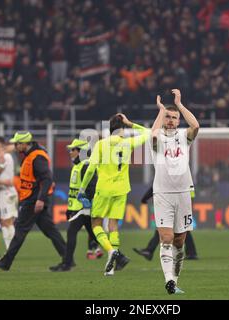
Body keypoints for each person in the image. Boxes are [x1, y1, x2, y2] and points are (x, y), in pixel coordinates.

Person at [77, 113, 151, 276]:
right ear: (122, 129)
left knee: (96, 224)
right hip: (122, 189)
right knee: (113, 225)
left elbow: (90, 169)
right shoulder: (128, 143)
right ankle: (113, 266)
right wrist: (131, 123)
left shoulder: (101, 145)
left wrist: (82, 189)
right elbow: (148, 132)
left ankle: (111, 252)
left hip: (104, 188)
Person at [0, 131, 66, 271]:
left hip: (33, 200)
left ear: (25, 144)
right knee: (50, 230)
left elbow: (47, 178)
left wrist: (40, 200)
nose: (15, 146)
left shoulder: (36, 157)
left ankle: (6, 262)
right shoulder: (31, 154)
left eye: (18, 143)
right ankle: (68, 259)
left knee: (20, 230)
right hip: (32, 199)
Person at [150, 89, 199, 294]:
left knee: (180, 241)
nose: (170, 120)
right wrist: (161, 110)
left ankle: (175, 278)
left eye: (174, 118)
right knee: (167, 238)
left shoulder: (183, 137)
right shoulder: (157, 138)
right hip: (162, 194)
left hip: (183, 194)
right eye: (167, 117)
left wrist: (179, 105)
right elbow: (152, 135)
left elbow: (195, 126)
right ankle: (169, 280)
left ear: (179, 121)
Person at [49, 139, 102, 272]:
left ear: (80, 152)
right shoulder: (77, 166)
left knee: (72, 232)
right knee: (95, 235)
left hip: (84, 208)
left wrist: (86, 204)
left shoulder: (85, 166)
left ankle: (67, 263)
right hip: (78, 208)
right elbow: (74, 190)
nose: (70, 152)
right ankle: (118, 257)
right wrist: (69, 208)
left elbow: (91, 186)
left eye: (72, 150)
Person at [133, 185, 198, 261]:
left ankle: (149, 250)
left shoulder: (168, 175)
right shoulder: (183, 176)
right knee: (180, 228)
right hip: (177, 203)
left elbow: (155, 185)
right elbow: (191, 192)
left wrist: (145, 197)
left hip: (173, 204)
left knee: (165, 227)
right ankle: (191, 253)